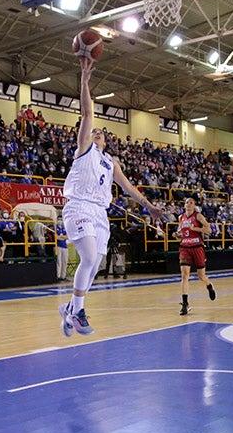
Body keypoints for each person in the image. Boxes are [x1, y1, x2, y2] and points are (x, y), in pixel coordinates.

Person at [58, 56, 163, 337]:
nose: (96, 134)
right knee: (89, 259)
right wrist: (84, 80)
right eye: (93, 132)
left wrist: (149, 206)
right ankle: (78, 312)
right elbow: (88, 113)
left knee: (94, 267)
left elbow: (128, 188)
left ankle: (70, 308)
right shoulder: (83, 150)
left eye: (101, 134)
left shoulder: (111, 162)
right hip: (79, 206)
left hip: (99, 213)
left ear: (106, 141)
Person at [174, 196, 216, 316]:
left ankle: (209, 285)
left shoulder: (198, 216)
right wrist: (176, 235)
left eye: (191, 202)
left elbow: (209, 230)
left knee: (201, 276)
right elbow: (180, 233)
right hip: (184, 247)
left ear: (194, 205)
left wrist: (195, 228)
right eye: (187, 202)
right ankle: (185, 304)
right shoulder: (180, 217)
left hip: (197, 247)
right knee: (184, 275)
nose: (188, 204)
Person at [54, 215, 69, 281]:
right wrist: (63, 237)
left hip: (65, 246)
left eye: (61, 219)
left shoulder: (64, 228)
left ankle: (63, 276)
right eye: (58, 219)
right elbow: (56, 237)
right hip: (58, 246)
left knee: (65, 261)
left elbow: (67, 237)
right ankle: (58, 276)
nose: (60, 221)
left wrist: (61, 237)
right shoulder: (55, 228)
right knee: (59, 261)